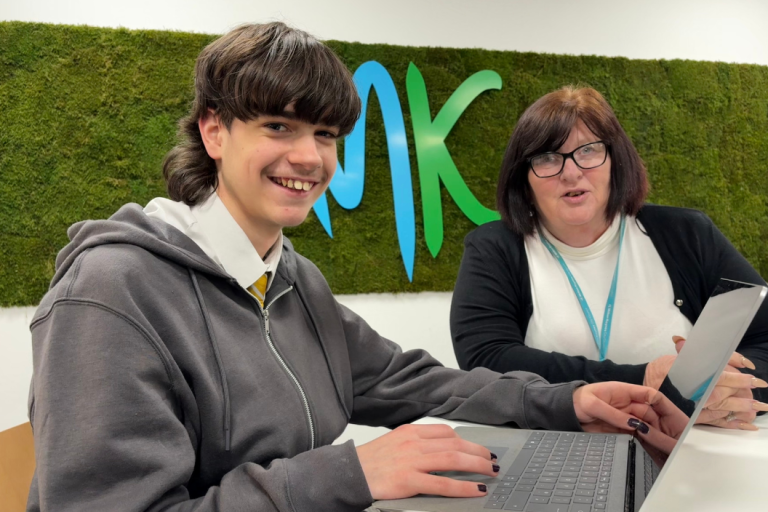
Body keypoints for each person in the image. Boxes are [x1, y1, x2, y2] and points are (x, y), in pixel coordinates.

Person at [27, 26, 686, 512]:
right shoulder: (111, 292)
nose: (309, 157)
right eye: (279, 127)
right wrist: (353, 474)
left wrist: (566, 403)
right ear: (215, 132)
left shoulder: (291, 280)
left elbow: (412, 382)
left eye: (325, 135)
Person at [450, 85, 768, 432]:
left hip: (686, 447)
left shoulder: (687, 233)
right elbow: (486, 362)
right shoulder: (493, 248)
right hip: (557, 450)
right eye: (547, 158)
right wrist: (646, 381)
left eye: (588, 151)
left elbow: (763, 334)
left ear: (616, 160)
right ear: (523, 178)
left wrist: (724, 393)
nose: (571, 173)